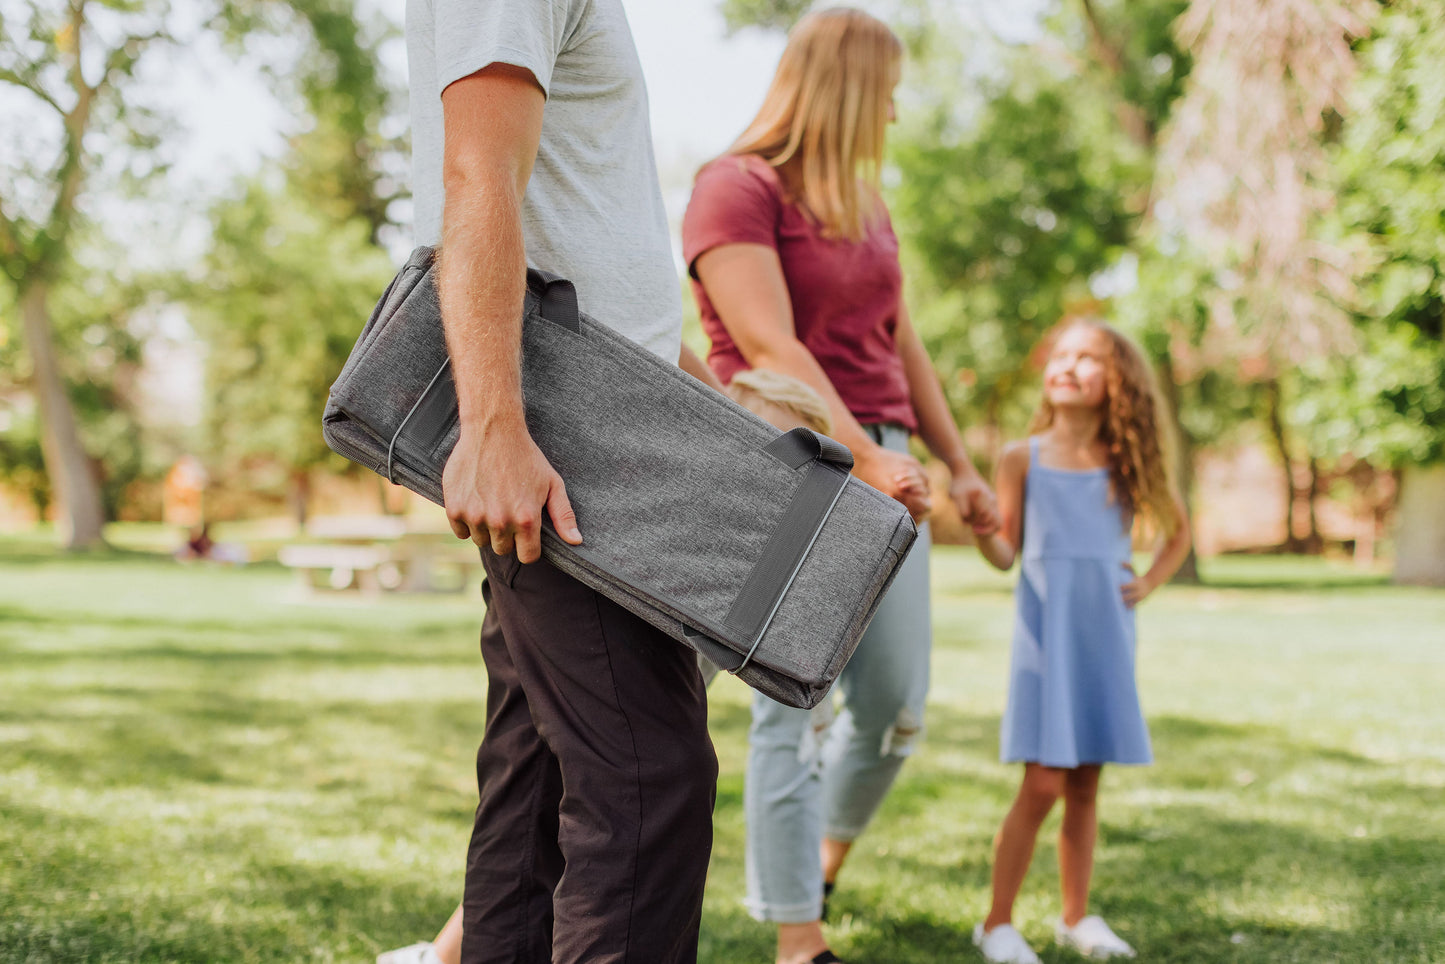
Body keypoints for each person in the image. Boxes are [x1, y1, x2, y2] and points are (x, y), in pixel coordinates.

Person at [389, 2, 724, 962]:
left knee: (532, 783)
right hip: (568, 443)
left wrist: (721, 405)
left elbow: (595, 240)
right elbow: (476, 174)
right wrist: (494, 425)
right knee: (648, 776)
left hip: (592, 423)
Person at [681, 10, 998, 964]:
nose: (894, 114)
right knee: (790, 704)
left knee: (897, 709)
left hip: (885, 454)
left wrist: (959, 461)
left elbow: (903, 344)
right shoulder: (732, 189)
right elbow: (770, 343)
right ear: (851, 88)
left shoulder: (866, 206)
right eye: (889, 92)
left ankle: (811, 863)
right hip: (800, 457)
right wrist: (862, 456)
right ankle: (798, 938)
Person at [969, 320, 1192, 964]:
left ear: (1118, 383)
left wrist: (1148, 579)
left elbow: (1177, 530)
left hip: (1104, 637)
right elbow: (1005, 552)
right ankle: (996, 923)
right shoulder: (1022, 457)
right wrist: (984, 528)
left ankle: (1075, 916)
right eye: (1061, 355)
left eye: (1087, 358)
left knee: (1086, 782)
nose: (1068, 365)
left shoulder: (1129, 463)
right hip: (1047, 638)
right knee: (1041, 783)